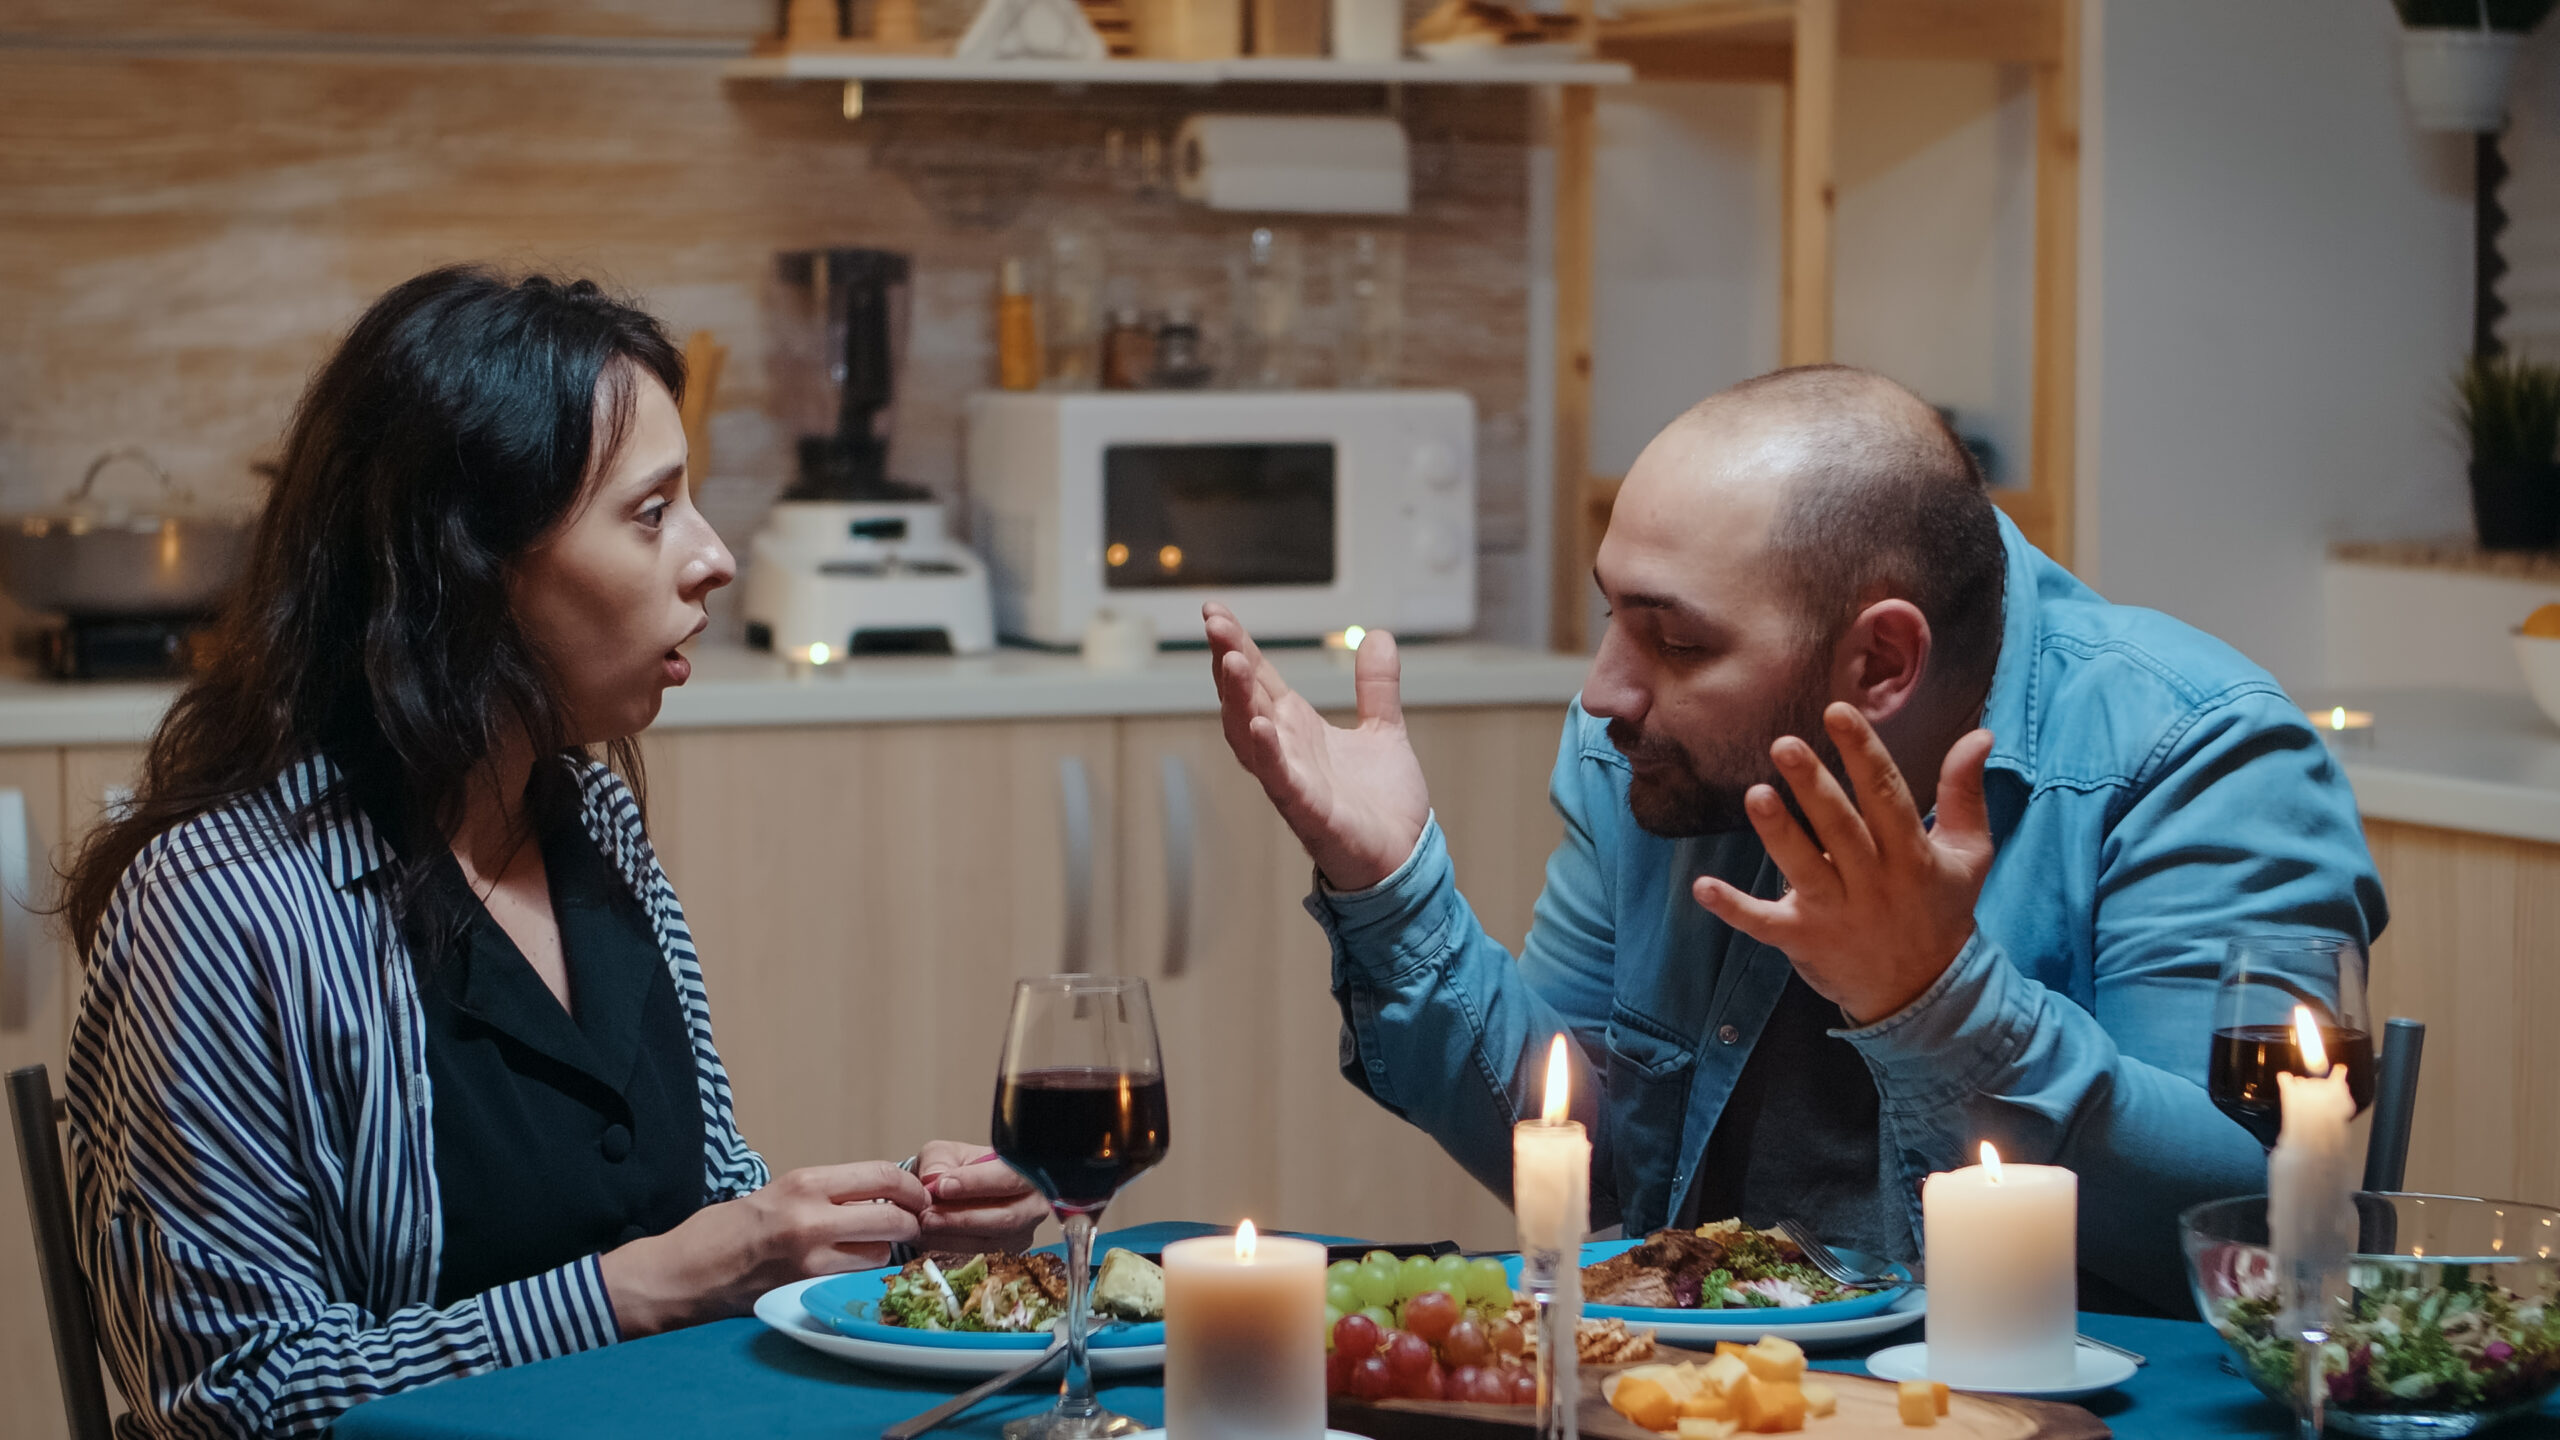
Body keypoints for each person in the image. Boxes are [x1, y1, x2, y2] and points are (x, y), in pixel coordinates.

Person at [59, 267, 1047, 1439]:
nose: (714, 558)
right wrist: (635, 1291)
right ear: (468, 569)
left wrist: (887, 1236)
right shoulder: (224, 903)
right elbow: (228, 1400)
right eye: (650, 512)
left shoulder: (593, 826)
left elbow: (713, 1214)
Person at [1204, 364, 2386, 1313]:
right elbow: (1577, 1155)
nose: (1604, 692)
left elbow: (2264, 1246)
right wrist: (1392, 887)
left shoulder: (2194, 759)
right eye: (1612, 611)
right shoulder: (1649, 755)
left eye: (1672, 641)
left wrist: (1938, 1003)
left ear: (1878, 662)